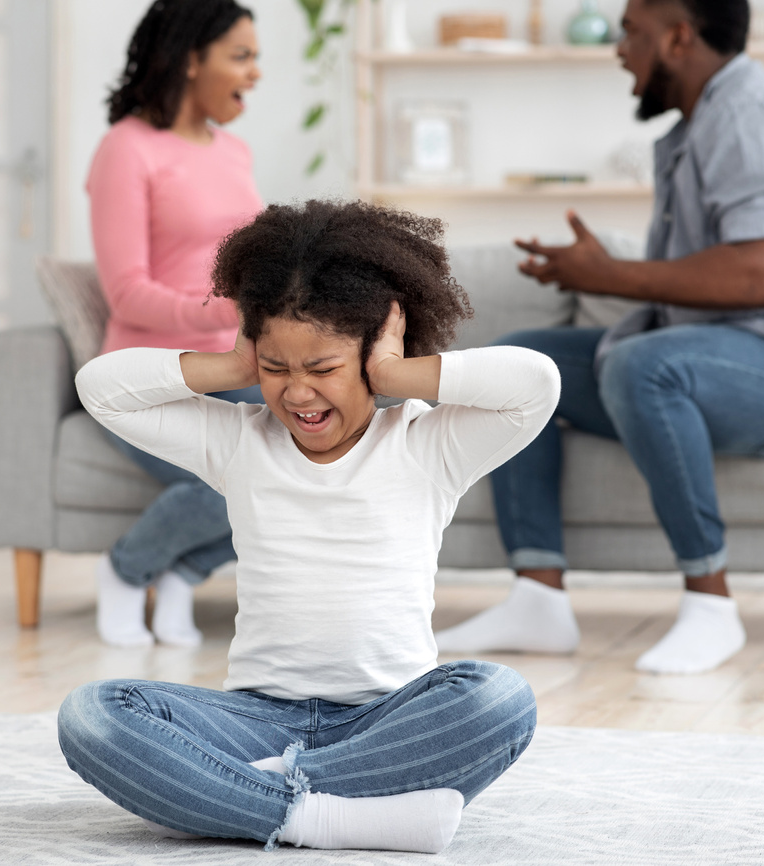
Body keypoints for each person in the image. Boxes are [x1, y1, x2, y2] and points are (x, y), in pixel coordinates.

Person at [57, 200, 557, 852]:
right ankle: (327, 816)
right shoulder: (238, 441)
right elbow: (101, 387)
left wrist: (395, 374)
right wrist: (232, 367)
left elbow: (536, 384)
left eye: (322, 369)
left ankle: (247, 794)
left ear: (372, 354)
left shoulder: (428, 445)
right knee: (91, 715)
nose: (297, 394)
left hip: (390, 716)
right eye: (274, 369)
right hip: (258, 718)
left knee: (500, 699)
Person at [435, 0, 764, 674]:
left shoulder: (749, 121)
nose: (619, 50)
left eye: (630, 33)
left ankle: (711, 604)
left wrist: (610, 274)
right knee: (520, 368)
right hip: (737, 357)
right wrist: (592, 273)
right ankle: (537, 597)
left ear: (677, 37)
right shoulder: (701, 125)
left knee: (647, 367)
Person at [87, 0, 263, 647]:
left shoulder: (234, 152)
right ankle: (126, 571)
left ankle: (185, 572)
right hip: (147, 374)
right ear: (192, 60)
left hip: (234, 364)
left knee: (306, 467)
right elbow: (127, 292)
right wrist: (219, 310)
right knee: (239, 477)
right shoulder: (126, 149)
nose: (256, 72)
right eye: (241, 56)